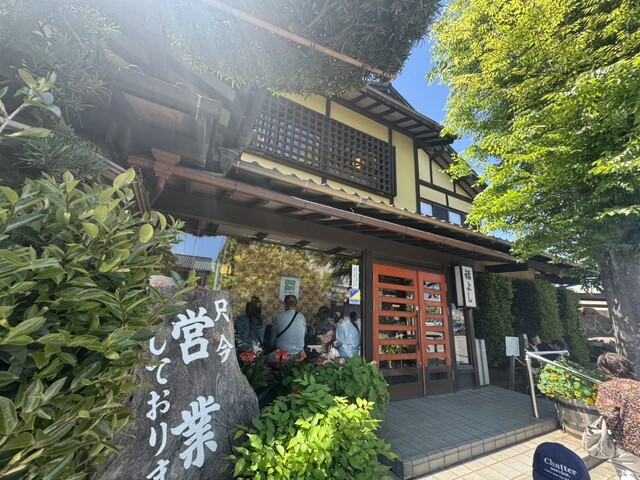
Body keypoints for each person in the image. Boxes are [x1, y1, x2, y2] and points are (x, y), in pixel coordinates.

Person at [595, 352, 640, 479]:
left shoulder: (608, 387)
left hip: (628, 443)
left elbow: (610, 416)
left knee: (628, 472)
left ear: (605, 369)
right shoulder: (637, 385)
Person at [268, 294, 306, 359]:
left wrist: (271, 347)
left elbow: (272, 336)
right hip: (299, 356)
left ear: (285, 304)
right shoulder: (302, 317)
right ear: (296, 304)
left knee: (266, 358)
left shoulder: (280, 316)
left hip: (282, 356)